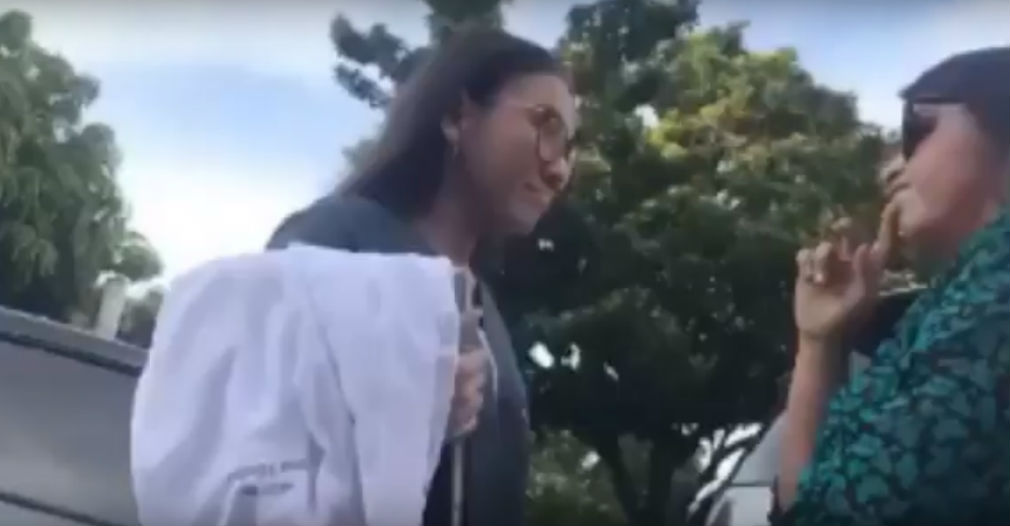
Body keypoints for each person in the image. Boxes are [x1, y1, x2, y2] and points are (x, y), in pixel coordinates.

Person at [266, 26, 577, 526]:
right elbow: (252, 431)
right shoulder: (333, 239)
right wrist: (397, 415)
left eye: (568, 147)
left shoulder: (487, 312)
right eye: (547, 127)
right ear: (457, 116)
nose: (559, 170)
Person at [775, 47, 1010, 524]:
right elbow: (812, 502)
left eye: (917, 128)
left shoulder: (996, 295)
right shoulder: (964, 296)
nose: (890, 171)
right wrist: (820, 343)